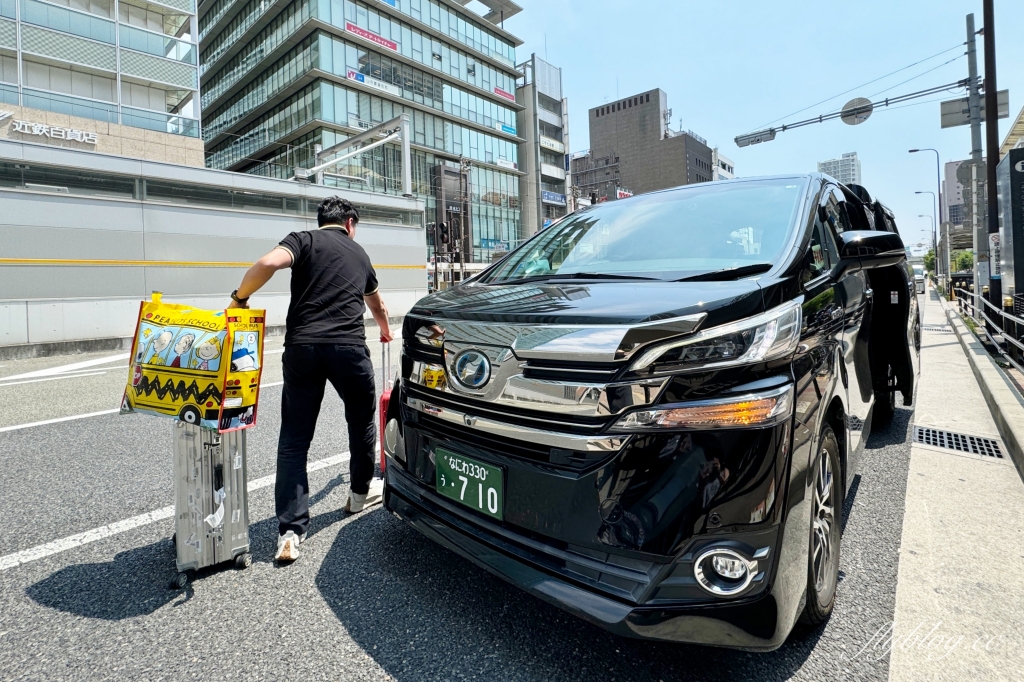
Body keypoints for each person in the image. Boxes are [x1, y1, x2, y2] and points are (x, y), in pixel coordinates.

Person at [228, 196, 393, 562]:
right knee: (360, 422)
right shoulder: (359, 253)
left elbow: (268, 262)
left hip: (302, 347)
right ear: (350, 223)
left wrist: (240, 299)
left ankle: (290, 530)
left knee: (294, 439)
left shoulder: (302, 240)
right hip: (348, 348)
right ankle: (358, 494)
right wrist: (384, 331)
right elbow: (377, 305)